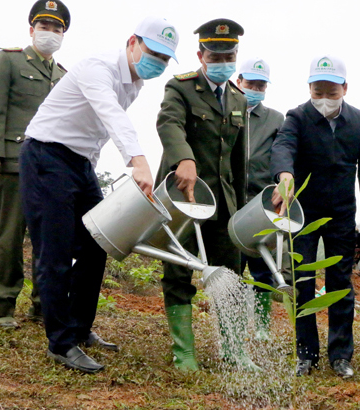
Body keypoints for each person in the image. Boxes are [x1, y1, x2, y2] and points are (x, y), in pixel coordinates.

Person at [20, 16, 180, 374]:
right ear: (132, 42)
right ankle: (61, 344)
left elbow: (94, 133)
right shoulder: (99, 68)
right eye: (153, 52)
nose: (158, 62)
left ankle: (79, 328)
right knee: (55, 253)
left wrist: (90, 170)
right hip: (47, 156)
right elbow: (109, 116)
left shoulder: (134, 84)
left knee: (98, 243)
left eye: (165, 59)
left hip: (79, 165)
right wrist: (138, 161)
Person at [271, 54, 360, 378]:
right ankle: (306, 355)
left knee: (339, 283)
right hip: (303, 212)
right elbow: (284, 147)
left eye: (331, 93)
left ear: (344, 88)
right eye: (317, 92)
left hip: (342, 214)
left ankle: (340, 355)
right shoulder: (298, 117)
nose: (323, 100)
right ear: (309, 88)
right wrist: (284, 175)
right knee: (303, 281)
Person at [155, 19, 257, 372]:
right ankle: (184, 352)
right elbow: (169, 123)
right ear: (201, 55)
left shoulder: (239, 99)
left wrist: (241, 209)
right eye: (215, 54)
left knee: (230, 273)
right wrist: (184, 158)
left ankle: (234, 352)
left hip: (225, 204)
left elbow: (238, 159)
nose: (221, 60)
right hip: (184, 198)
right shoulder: (180, 88)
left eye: (228, 55)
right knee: (178, 270)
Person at [0, 0, 70, 329]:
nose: (50, 33)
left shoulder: (64, 75)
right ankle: (2, 304)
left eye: (57, 28)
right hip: (16, 163)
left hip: (52, 168)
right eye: (44, 27)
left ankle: (43, 304)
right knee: (10, 236)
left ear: (63, 35)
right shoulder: (9, 60)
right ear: (32, 30)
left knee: (50, 240)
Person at [235, 57, 285, 341]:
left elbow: (281, 156)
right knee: (234, 266)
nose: (254, 88)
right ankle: (236, 325)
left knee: (263, 266)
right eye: (250, 83)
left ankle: (263, 326)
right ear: (238, 82)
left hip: (263, 203)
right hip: (232, 202)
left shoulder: (275, 119)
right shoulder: (224, 111)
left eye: (260, 85)